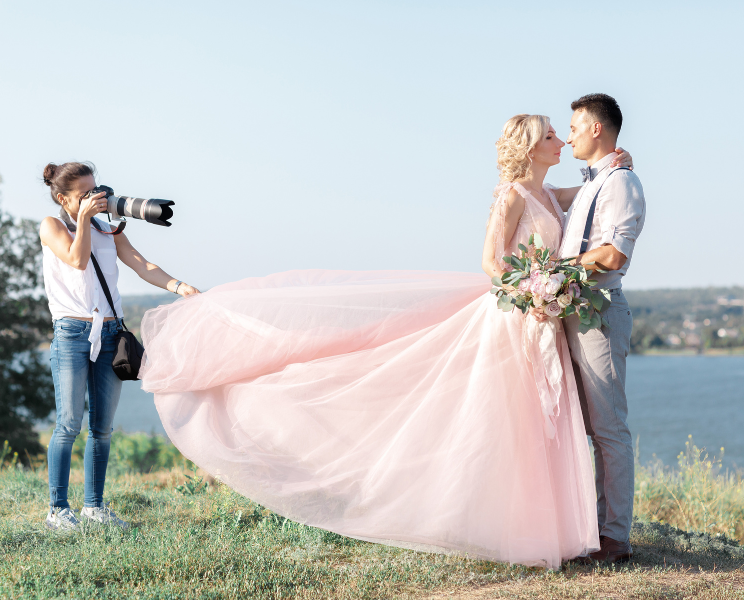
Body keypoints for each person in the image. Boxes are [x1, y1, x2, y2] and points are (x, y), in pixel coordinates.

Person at [138, 119, 632, 568]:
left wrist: (618, 162)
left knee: (542, 423)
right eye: (550, 135)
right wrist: (532, 294)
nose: (561, 140)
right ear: (529, 147)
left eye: (560, 132)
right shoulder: (513, 196)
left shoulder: (550, 194)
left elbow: (589, 192)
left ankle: (555, 531)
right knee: (511, 422)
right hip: (518, 318)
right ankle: (514, 530)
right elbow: (491, 263)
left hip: (544, 318)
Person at [39, 161, 200, 531]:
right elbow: (77, 260)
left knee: (102, 428)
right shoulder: (53, 226)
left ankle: (94, 508)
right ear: (63, 198)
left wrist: (181, 287)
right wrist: (82, 219)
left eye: (96, 190)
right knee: (67, 425)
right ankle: (57, 510)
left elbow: (142, 265)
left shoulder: (107, 228)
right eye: (85, 194)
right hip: (72, 334)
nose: (96, 198)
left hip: (110, 335)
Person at [559, 94, 646, 563]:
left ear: (596, 128)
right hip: (570, 313)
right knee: (582, 426)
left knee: (608, 429)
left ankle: (615, 539)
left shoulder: (622, 184)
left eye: (573, 126)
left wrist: (556, 269)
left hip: (600, 313)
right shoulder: (594, 182)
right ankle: (589, 527)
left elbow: (613, 255)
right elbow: (547, 197)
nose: (568, 134)